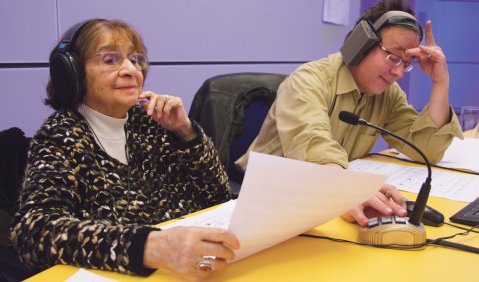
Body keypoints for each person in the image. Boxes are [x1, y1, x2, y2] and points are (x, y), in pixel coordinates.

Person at [10, 19, 240, 279]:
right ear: (71, 72)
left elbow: (217, 197)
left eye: (135, 59)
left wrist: (185, 132)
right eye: (110, 60)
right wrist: (151, 247)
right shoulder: (61, 136)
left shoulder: (152, 123)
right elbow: (35, 232)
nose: (131, 69)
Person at [236, 0, 463, 226]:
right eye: (393, 57)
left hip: (324, 196)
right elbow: (314, 144)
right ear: (361, 43)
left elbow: (428, 149)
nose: (398, 73)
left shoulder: (388, 94)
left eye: (406, 64)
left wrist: (440, 81)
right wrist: (348, 189)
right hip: (263, 201)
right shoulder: (308, 81)